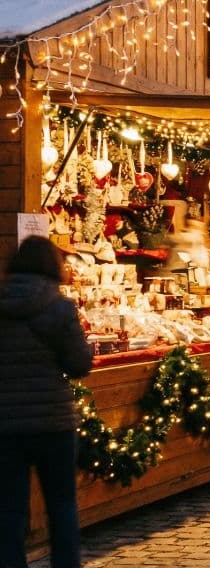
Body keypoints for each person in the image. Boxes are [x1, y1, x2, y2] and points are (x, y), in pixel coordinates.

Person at [0, 236, 93, 568]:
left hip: (6, 424)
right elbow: (79, 364)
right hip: (54, 423)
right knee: (62, 505)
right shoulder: (59, 307)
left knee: (8, 509)